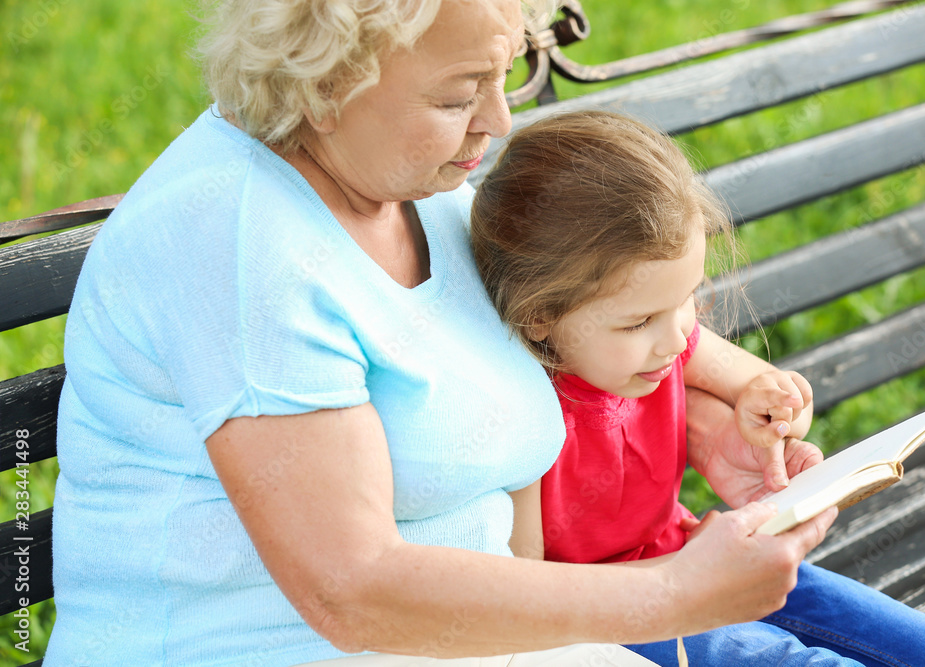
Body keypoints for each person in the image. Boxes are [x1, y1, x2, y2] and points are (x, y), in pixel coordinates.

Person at [46, 2, 839, 665]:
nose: (497, 120)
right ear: (325, 84)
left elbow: (520, 357)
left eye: (503, 77)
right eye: (460, 95)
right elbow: (351, 590)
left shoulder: (416, 186)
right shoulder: (238, 242)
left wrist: (699, 417)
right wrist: (672, 592)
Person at [469, 109, 925, 666]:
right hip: (620, 620)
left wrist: (774, 413)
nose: (676, 339)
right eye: (638, 321)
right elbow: (529, 591)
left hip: (700, 556)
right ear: (541, 316)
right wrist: (687, 577)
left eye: (687, 296)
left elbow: (769, 395)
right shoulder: (526, 411)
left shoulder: (667, 341)